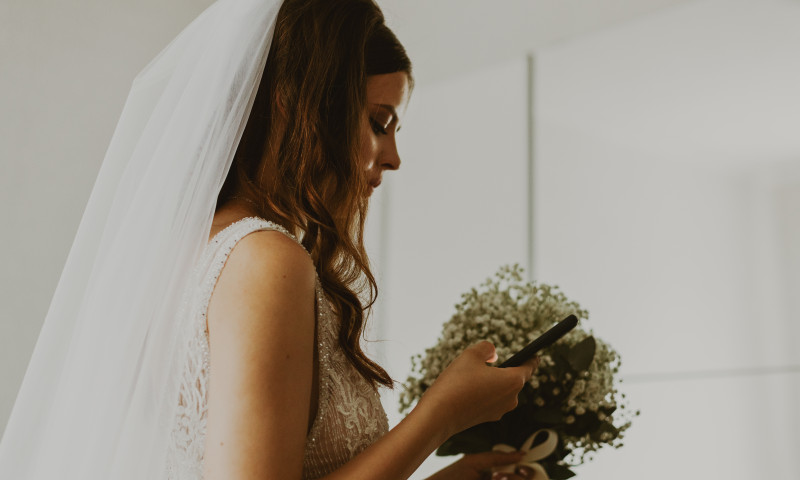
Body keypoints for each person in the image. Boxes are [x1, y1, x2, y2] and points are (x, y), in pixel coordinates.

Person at [0, 1, 539, 479]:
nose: (393, 156)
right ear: (297, 103)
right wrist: (439, 416)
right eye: (379, 122)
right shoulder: (263, 258)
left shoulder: (193, 252)